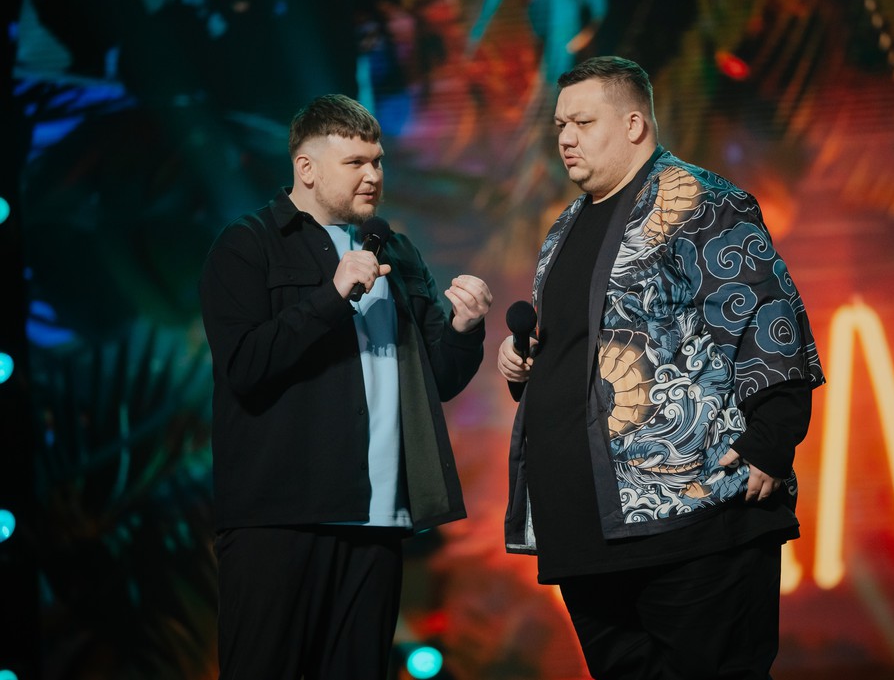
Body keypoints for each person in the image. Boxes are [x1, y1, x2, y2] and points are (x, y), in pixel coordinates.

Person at [497, 56, 825, 679]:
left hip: (692, 514)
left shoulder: (703, 201)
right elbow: (588, 347)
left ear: (634, 124)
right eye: (560, 124)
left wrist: (771, 439)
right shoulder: (564, 226)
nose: (565, 138)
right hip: (587, 526)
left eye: (583, 122)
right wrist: (526, 366)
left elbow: (767, 316)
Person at [200, 93, 492, 679]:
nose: (373, 176)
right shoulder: (248, 243)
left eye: (377, 161)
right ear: (306, 168)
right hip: (281, 520)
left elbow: (437, 379)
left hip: (377, 520)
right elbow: (245, 366)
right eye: (355, 163)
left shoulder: (395, 250)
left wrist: (465, 329)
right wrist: (330, 297)